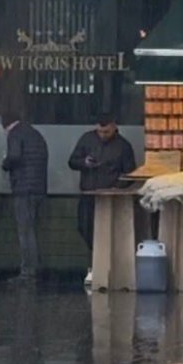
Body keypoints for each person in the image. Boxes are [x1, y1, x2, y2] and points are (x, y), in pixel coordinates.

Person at [68, 113, 137, 284]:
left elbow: (130, 173)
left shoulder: (123, 146)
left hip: (110, 197)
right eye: (100, 132)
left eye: (106, 132)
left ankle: (103, 265)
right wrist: (84, 162)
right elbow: (72, 162)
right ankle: (95, 259)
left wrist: (118, 187)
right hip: (89, 193)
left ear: (114, 127)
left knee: (108, 232)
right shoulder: (87, 139)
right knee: (84, 227)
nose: (103, 135)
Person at [1, 111, 48, 282]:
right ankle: (36, 267)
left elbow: (14, 156)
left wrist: (5, 163)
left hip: (23, 188)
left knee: (25, 231)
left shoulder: (15, 134)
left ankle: (28, 271)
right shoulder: (34, 133)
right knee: (33, 229)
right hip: (38, 188)